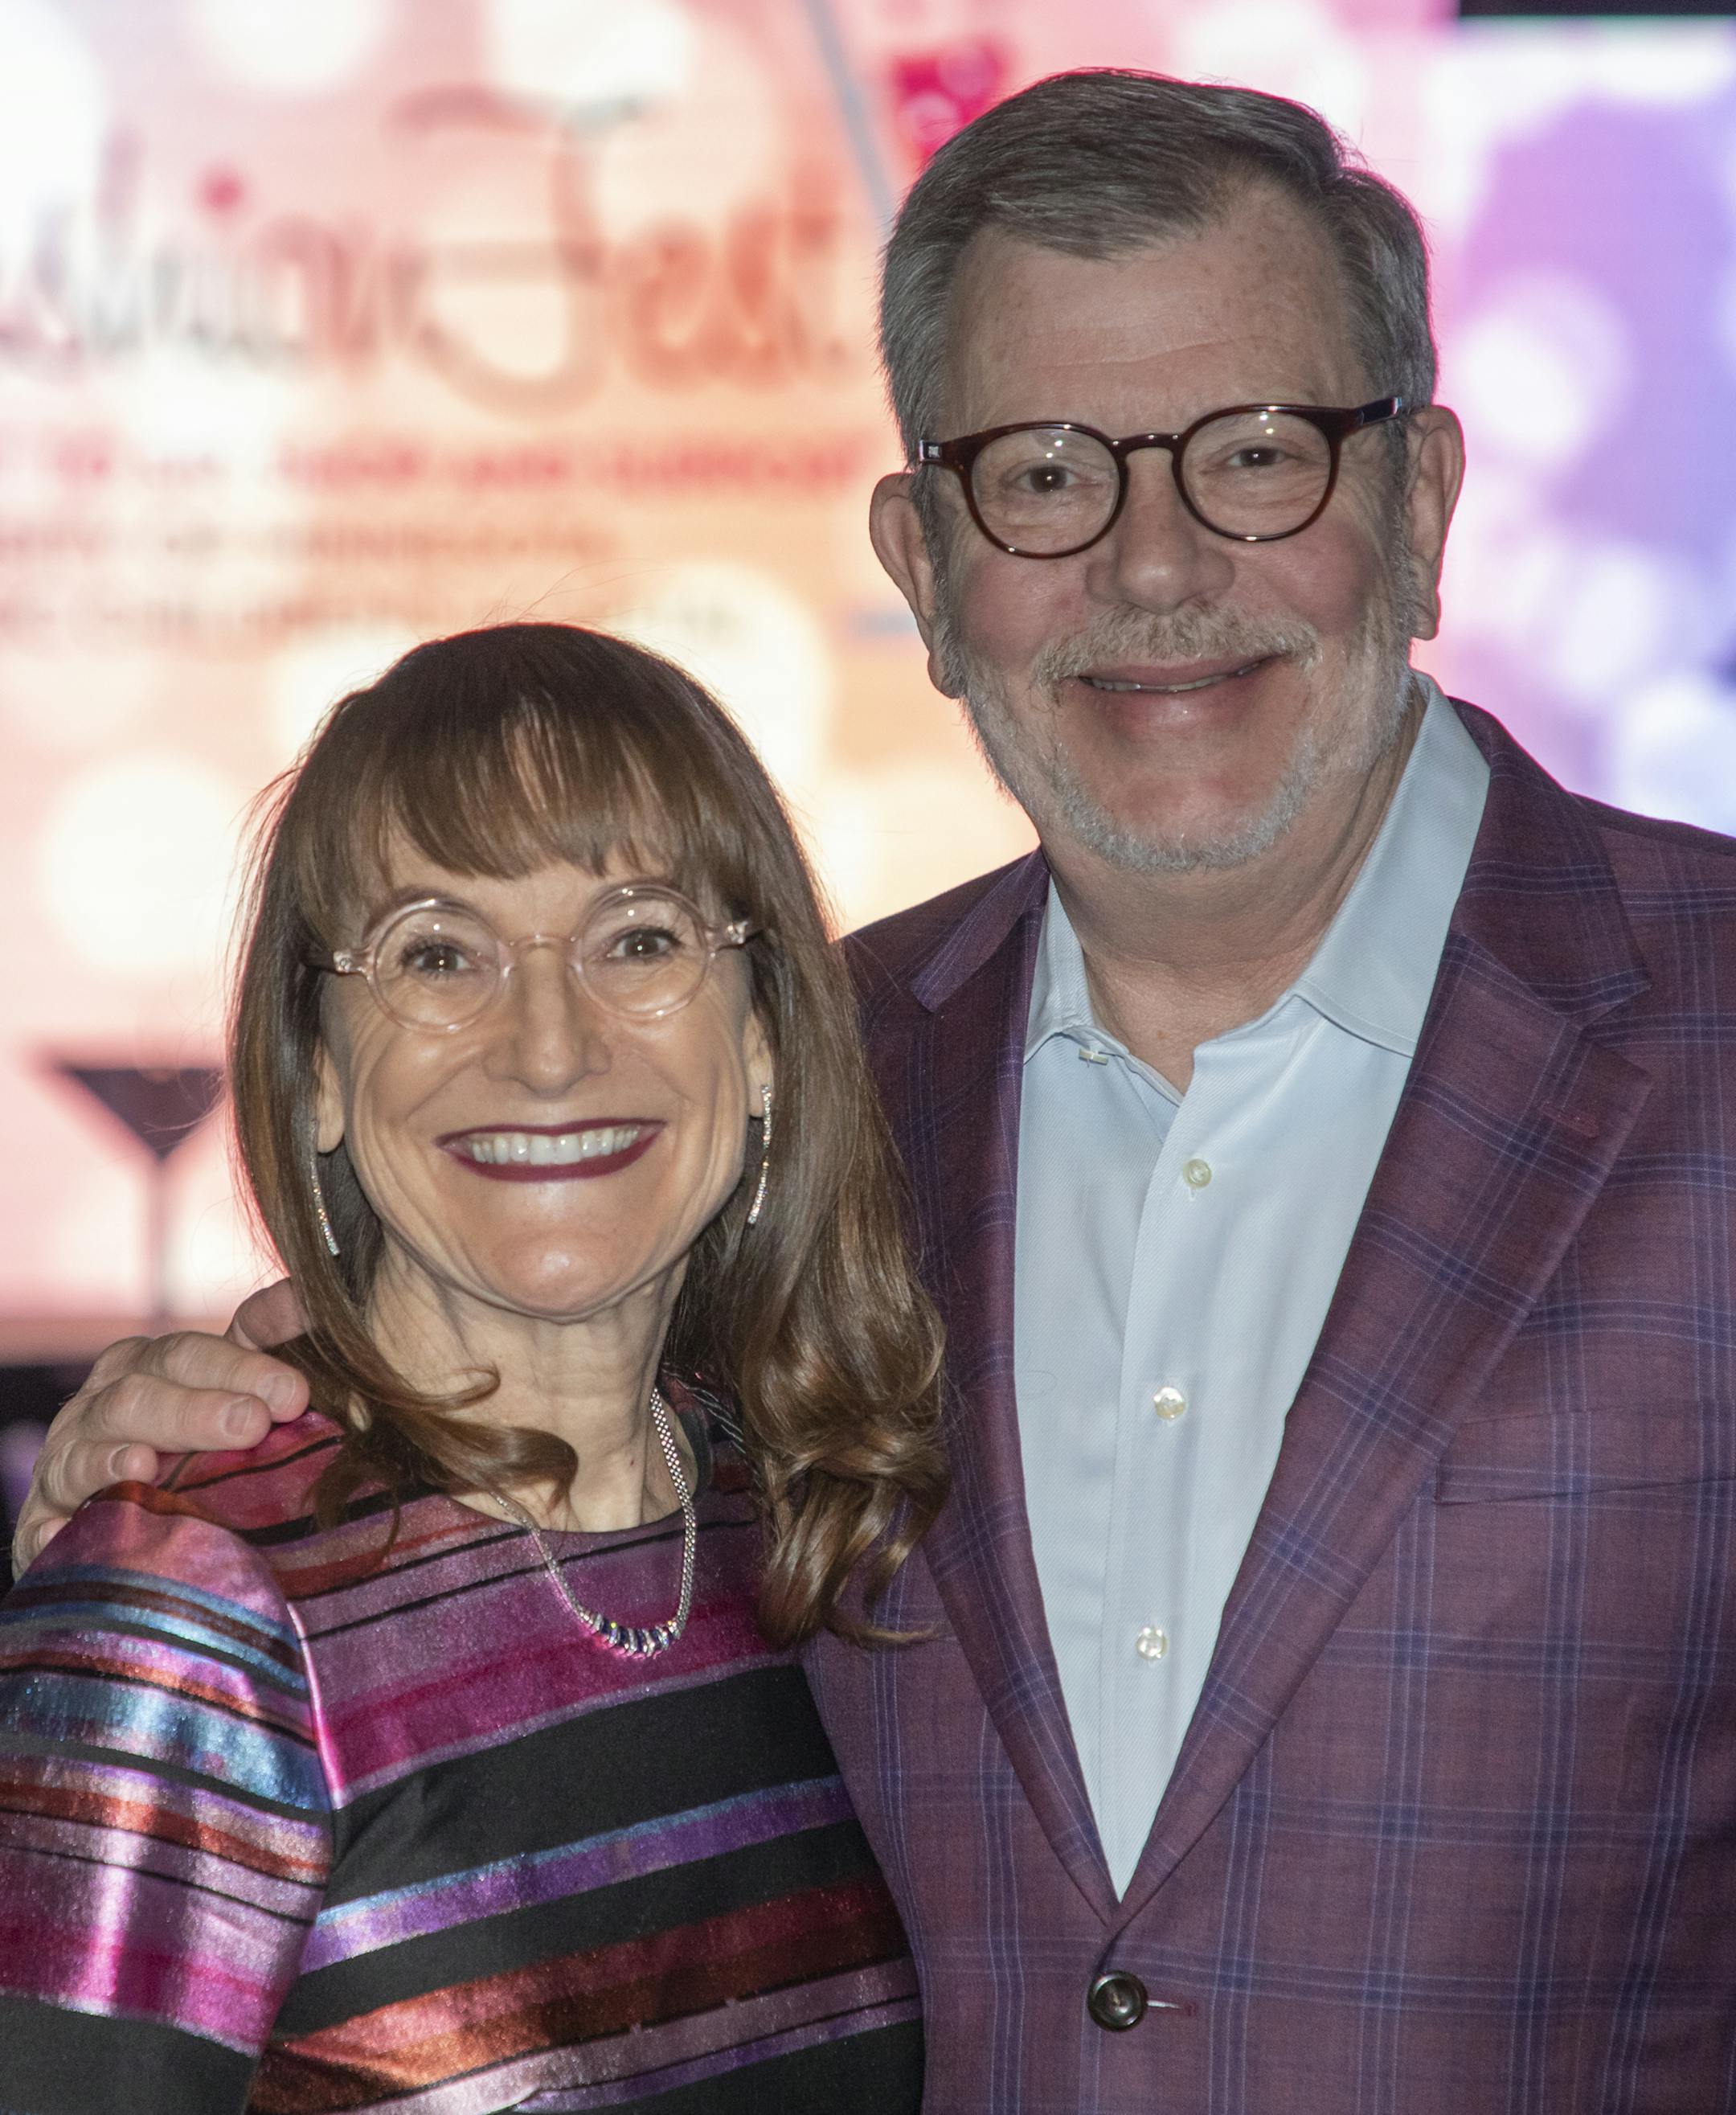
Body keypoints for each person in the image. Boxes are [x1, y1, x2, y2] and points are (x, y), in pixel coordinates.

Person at [18, 68, 1736, 2111]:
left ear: (1428, 506)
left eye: (1261, 454)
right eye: (1042, 473)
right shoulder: (790, 1096)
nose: (1154, 561)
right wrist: (193, 1470)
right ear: (923, 563)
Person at [0, 623, 945, 2113]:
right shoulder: (199, 1604)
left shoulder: (815, 1522)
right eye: (438, 953)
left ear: (765, 1040)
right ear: (314, 1068)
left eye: (641, 938)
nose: (551, 1048)